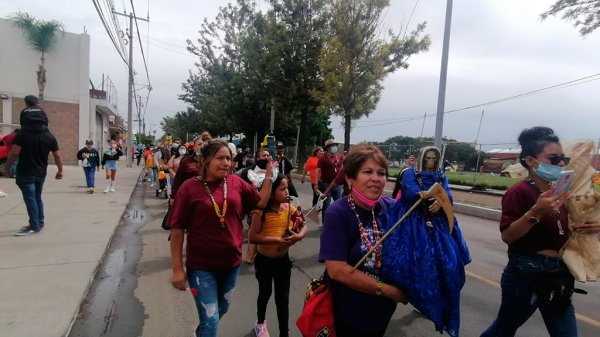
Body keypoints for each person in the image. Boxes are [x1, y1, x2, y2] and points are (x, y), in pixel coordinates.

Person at [480, 127, 600, 337]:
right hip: (525, 274)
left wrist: (592, 225)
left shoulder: (559, 191)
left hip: (557, 273)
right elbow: (508, 236)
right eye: (554, 159)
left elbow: (566, 227)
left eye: (563, 158)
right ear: (531, 161)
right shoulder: (519, 192)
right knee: (503, 329)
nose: (562, 164)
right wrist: (536, 211)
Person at [169, 139, 273, 337]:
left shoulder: (236, 183)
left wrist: (268, 177)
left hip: (231, 264)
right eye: (220, 158)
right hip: (200, 268)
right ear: (205, 160)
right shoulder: (189, 188)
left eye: (229, 158)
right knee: (210, 319)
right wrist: (177, 269)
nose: (226, 163)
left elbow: (260, 203)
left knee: (220, 311)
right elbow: (177, 230)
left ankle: (201, 332)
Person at [319, 145, 408, 337]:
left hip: (382, 312)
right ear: (350, 179)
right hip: (347, 313)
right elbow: (337, 270)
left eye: (381, 173)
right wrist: (388, 291)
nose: (376, 178)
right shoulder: (338, 213)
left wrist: (434, 206)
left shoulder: (393, 209)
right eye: (367, 172)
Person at [382, 146, 471, 336]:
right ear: (423, 158)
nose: (431, 161)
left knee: (448, 264)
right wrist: (419, 195)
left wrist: (441, 200)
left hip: (437, 223)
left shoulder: (441, 176)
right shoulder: (409, 173)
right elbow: (408, 190)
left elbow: (447, 194)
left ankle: (436, 299)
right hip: (413, 221)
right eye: (428, 158)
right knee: (411, 261)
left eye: (433, 158)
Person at [249, 174, 308, 337]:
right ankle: (260, 323)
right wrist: (276, 240)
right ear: (271, 192)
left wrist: (298, 236)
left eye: (287, 188)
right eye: (282, 189)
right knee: (265, 293)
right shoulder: (259, 212)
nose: (287, 192)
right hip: (264, 262)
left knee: (283, 298)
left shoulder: (290, 208)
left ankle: (284, 333)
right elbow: (252, 237)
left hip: (283, 262)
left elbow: (304, 225)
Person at [4, 95, 63, 236]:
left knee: (30, 199)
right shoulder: (49, 136)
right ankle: (38, 222)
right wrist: (60, 171)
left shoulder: (22, 134)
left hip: (25, 172)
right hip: (41, 173)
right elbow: (57, 156)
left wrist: (6, 167)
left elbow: (14, 153)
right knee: (37, 197)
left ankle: (34, 226)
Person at [316, 139, 343, 226]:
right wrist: (316, 184)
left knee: (339, 204)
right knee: (326, 204)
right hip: (326, 184)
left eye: (335, 145)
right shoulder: (323, 159)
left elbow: (342, 168)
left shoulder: (339, 157)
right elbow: (318, 171)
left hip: (337, 185)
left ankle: (338, 222)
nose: (334, 147)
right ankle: (326, 223)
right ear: (328, 148)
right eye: (332, 146)